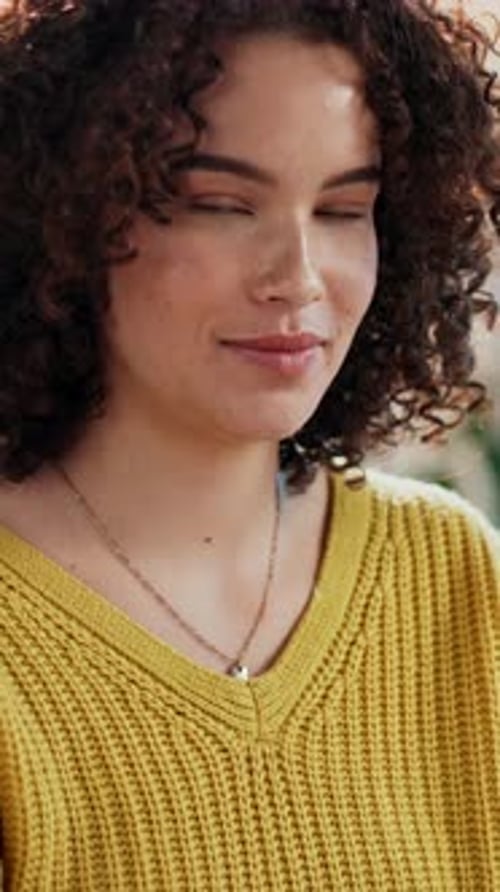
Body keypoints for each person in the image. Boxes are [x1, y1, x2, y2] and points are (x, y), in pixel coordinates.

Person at [0, 0, 498, 888]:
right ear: (71, 214)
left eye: (344, 209)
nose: (297, 279)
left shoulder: (454, 578)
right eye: (222, 205)